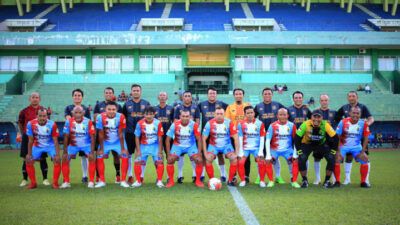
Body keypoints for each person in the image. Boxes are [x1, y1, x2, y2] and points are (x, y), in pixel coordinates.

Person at [336, 91, 374, 185]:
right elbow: (336, 118)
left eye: (353, 96)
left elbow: (371, 118)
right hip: (344, 143)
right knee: (342, 158)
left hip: (358, 142)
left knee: (364, 158)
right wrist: (338, 149)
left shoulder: (363, 108)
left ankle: (365, 181)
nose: (351, 98)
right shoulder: (344, 110)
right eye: (350, 96)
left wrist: (366, 126)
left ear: (357, 97)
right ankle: (344, 180)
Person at [294, 109, 339, 188]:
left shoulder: (325, 124)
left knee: (331, 158)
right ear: (311, 117)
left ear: (322, 118)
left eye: (319, 117)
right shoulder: (305, 124)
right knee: (302, 158)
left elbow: (335, 138)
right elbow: (297, 138)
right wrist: (299, 151)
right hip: (307, 144)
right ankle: (304, 180)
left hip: (321, 144)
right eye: (314, 116)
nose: (316, 119)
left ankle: (327, 181)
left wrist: (333, 151)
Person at [17, 92, 50, 187]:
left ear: (39, 99)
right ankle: (25, 179)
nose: (35, 99)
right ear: (29, 99)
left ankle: (45, 179)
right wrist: (23, 133)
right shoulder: (24, 111)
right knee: (26, 158)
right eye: (33, 97)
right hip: (27, 137)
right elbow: (20, 122)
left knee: (42, 158)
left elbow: (48, 123)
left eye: (37, 97)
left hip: (40, 138)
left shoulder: (44, 110)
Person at [165, 110, 204, 188]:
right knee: (170, 160)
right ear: (180, 117)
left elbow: (199, 139)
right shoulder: (174, 125)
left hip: (190, 146)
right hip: (177, 146)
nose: (185, 118)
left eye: (187, 116)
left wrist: (199, 153)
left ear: (190, 117)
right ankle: (171, 181)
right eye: (183, 116)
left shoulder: (194, 125)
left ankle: (198, 180)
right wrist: (168, 154)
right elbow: (167, 140)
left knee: (199, 160)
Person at [254, 87, 285, 184]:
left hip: (275, 135)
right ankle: (260, 176)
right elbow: (253, 119)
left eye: (269, 93)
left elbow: (286, 113)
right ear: (262, 95)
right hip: (262, 135)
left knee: (274, 156)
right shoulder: (258, 106)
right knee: (261, 156)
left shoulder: (277, 105)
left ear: (272, 95)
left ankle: (278, 176)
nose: (267, 95)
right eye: (265, 94)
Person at [203, 106, 240, 186]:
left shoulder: (229, 123)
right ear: (214, 115)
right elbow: (203, 139)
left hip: (226, 146)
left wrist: (236, 153)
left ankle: (230, 180)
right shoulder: (209, 123)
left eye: (221, 114)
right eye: (217, 114)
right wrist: (205, 153)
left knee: (234, 159)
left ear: (224, 114)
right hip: (214, 146)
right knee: (208, 159)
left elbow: (236, 137)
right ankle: (212, 180)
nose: (219, 115)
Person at [95, 101, 129, 188]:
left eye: (113, 109)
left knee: (125, 155)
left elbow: (121, 133)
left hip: (118, 141)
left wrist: (122, 149)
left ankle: (123, 180)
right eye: (109, 109)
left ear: (116, 109)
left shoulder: (121, 117)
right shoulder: (100, 117)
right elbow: (100, 133)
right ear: (105, 109)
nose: (111, 111)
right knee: (99, 156)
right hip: (105, 141)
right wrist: (102, 149)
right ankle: (102, 181)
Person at [25, 108, 61, 189]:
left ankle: (55, 183)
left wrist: (57, 155)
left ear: (47, 116)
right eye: (40, 116)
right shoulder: (30, 124)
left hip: (50, 145)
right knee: (28, 160)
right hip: (37, 145)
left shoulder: (52, 124)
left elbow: (55, 141)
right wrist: (29, 154)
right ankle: (33, 183)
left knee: (57, 160)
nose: (42, 118)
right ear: (36, 116)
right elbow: (30, 140)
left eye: (44, 116)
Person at [198, 87, 228, 182]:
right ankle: (202, 174)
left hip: (219, 134)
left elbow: (230, 110)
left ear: (216, 94)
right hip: (206, 134)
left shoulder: (222, 104)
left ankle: (223, 174)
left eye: (214, 93)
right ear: (207, 94)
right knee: (204, 154)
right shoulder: (201, 104)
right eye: (210, 93)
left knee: (220, 154)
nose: (212, 95)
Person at [61, 106, 96, 188]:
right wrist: (65, 151)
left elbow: (92, 137)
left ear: (83, 113)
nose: (78, 114)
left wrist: (91, 151)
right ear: (72, 113)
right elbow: (66, 137)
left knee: (92, 158)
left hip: (86, 145)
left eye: (80, 112)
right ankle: (66, 181)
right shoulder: (68, 122)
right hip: (73, 145)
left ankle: (91, 181)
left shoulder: (88, 122)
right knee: (65, 158)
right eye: (76, 112)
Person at [265, 108, 300, 188]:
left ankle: (294, 181)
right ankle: (271, 181)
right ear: (277, 116)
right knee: (268, 161)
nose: (283, 116)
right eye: (280, 114)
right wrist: (268, 154)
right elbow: (267, 140)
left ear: (287, 115)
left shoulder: (292, 125)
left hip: (287, 150)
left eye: (284, 114)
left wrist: (295, 153)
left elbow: (296, 141)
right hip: (274, 150)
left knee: (294, 161)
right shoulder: (272, 126)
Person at [94, 87, 123, 183]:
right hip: (102, 134)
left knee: (116, 155)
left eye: (110, 93)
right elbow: (96, 118)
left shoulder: (118, 106)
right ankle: (99, 177)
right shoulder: (98, 105)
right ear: (104, 94)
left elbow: (121, 120)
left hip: (115, 136)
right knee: (99, 154)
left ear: (113, 94)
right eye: (106, 93)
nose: (108, 94)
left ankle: (118, 175)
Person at [122, 84, 150, 184]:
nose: (136, 92)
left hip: (143, 134)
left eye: (137, 90)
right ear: (131, 92)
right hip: (129, 133)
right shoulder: (126, 104)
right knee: (129, 154)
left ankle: (141, 176)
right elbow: (123, 118)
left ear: (140, 91)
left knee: (141, 154)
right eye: (134, 90)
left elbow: (149, 118)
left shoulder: (146, 103)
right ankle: (130, 175)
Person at [132, 106, 165, 188]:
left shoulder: (158, 123)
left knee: (160, 162)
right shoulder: (139, 123)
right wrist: (138, 150)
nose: (149, 116)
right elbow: (136, 137)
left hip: (155, 146)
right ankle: (138, 181)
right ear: (144, 115)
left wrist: (160, 151)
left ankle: (160, 181)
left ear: (154, 114)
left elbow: (160, 137)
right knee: (137, 161)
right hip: (143, 146)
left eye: (151, 114)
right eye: (147, 114)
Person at [64, 89, 91, 183]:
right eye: (75, 95)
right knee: (68, 156)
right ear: (72, 97)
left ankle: (85, 176)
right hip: (72, 137)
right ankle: (66, 178)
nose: (77, 97)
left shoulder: (86, 108)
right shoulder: (68, 108)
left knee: (84, 156)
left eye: (79, 95)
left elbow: (87, 122)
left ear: (82, 97)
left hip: (84, 137)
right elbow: (69, 120)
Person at [173, 91, 201, 183]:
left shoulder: (195, 107)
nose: (187, 97)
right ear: (182, 97)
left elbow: (197, 121)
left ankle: (194, 175)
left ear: (191, 97)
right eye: (185, 96)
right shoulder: (178, 108)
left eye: (189, 96)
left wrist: (193, 129)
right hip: (180, 136)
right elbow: (175, 121)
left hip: (192, 135)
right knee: (180, 156)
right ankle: (180, 175)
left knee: (193, 156)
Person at [237, 106, 267, 187]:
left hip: (256, 148)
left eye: (251, 112)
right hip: (245, 148)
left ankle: (262, 181)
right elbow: (240, 138)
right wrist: (240, 151)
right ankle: (243, 180)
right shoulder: (241, 124)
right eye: (248, 113)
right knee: (240, 162)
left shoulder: (260, 124)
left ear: (254, 113)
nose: (250, 114)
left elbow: (262, 138)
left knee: (261, 162)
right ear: (245, 114)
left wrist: (260, 151)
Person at [225, 88, 250, 183]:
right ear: (234, 95)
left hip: (246, 135)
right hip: (233, 136)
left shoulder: (247, 106)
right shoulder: (230, 107)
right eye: (236, 94)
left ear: (243, 95)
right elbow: (227, 122)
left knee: (246, 156)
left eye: (240, 94)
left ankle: (246, 176)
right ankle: (234, 176)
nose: (238, 95)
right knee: (234, 156)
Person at [313, 94, 338, 185]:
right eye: (322, 100)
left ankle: (334, 178)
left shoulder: (334, 113)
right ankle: (317, 178)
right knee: (317, 159)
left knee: (332, 159)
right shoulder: (315, 112)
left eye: (326, 100)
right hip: (318, 140)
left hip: (330, 140)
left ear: (328, 101)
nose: (324, 102)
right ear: (320, 101)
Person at [154, 92, 174, 159]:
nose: (162, 97)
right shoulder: (154, 109)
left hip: (168, 136)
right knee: (158, 156)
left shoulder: (171, 108)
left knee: (169, 156)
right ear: (158, 97)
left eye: (164, 95)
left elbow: (174, 122)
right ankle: (160, 168)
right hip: (157, 136)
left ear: (167, 97)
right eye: (161, 95)